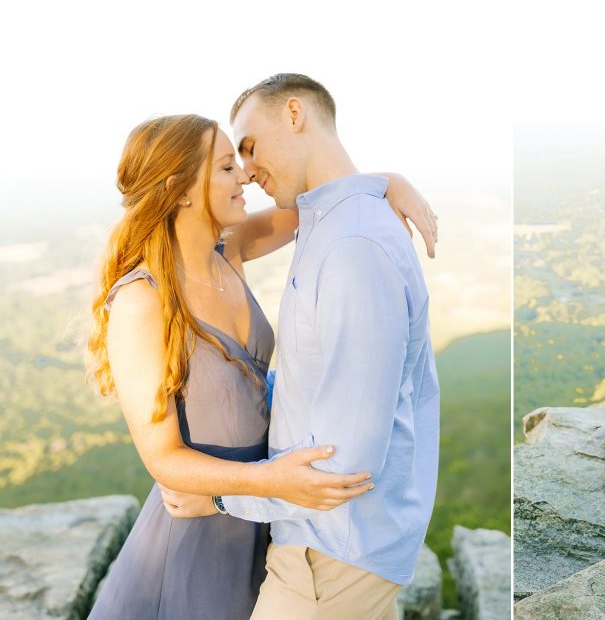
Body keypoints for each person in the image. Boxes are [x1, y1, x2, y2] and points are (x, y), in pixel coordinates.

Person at [86, 113, 436, 620]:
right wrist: (269, 482)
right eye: (228, 166)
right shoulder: (141, 302)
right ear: (179, 188)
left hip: (265, 514)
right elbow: (163, 459)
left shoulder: (229, 251)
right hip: (198, 531)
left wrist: (390, 184)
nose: (245, 176)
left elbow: (320, 202)